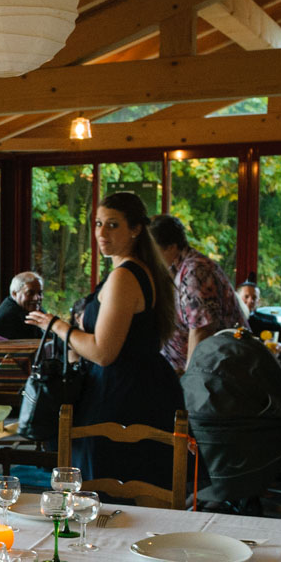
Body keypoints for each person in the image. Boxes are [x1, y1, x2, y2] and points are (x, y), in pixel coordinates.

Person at [27, 192, 184, 491]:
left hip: (122, 396)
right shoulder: (138, 270)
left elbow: (103, 352)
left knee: (111, 488)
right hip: (141, 388)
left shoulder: (125, 276)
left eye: (112, 225)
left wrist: (55, 325)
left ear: (135, 229)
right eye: (98, 223)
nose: (101, 232)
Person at [150, 214, 243, 371]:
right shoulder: (175, 269)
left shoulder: (196, 272)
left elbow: (201, 331)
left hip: (214, 375)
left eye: (152, 249)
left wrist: (189, 378)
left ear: (171, 247)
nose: (148, 256)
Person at [0, 271, 44, 341]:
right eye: (30, 293)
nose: (36, 298)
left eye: (40, 293)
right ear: (14, 294)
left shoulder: (30, 309)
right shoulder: (9, 316)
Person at [239, 280, 281, 344]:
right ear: (237, 298)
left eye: (254, 298)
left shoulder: (270, 320)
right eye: (246, 297)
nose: (250, 301)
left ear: (258, 301)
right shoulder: (231, 320)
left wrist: (280, 345)